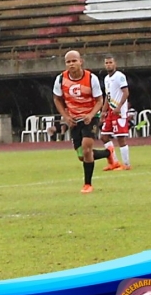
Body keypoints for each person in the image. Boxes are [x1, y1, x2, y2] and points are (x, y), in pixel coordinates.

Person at [53, 50, 112, 193]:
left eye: (74, 61)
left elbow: (99, 100)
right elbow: (57, 99)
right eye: (68, 62)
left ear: (81, 61)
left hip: (89, 118)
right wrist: (66, 117)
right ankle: (107, 153)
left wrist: (91, 115)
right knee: (82, 156)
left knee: (86, 149)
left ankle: (87, 184)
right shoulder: (60, 79)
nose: (71, 64)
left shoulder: (91, 78)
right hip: (73, 119)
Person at [100, 55, 130, 171]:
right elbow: (108, 96)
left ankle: (126, 164)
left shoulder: (120, 76)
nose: (108, 65)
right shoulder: (106, 78)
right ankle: (114, 162)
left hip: (119, 112)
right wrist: (103, 111)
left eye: (110, 62)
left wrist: (119, 107)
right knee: (104, 136)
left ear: (115, 64)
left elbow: (126, 92)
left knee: (120, 138)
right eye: (106, 63)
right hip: (110, 111)